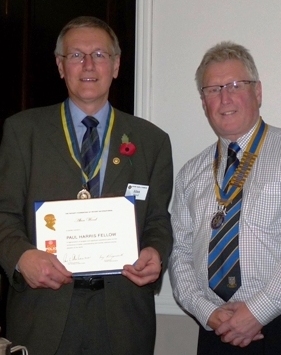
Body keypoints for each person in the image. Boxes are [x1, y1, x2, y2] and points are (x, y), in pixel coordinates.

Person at [0, 16, 173, 354]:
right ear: (60, 66)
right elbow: (4, 215)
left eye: (100, 54)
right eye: (76, 55)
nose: (89, 64)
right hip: (43, 313)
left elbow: (157, 221)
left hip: (123, 317)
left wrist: (156, 253)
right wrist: (22, 258)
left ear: (117, 64)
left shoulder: (152, 141)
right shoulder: (23, 132)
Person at [169, 41, 281, 354]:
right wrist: (207, 313)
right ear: (204, 102)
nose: (224, 98)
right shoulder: (190, 173)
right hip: (216, 330)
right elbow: (180, 251)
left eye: (234, 85)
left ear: (257, 92)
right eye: (213, 89)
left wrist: (258, 311)